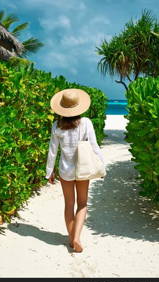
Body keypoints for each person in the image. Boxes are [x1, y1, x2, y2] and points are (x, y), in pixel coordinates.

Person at [45, 88, 105, 253]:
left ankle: (71, 239)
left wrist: (49, 171)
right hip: (83, 169)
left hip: (66, 171)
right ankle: (77, 237)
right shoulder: (86, 122)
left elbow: (52, 151)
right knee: (83, 203)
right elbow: (94, 146)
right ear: (78, 107)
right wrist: (101, 166)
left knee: (69, 204)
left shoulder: (57, 125)